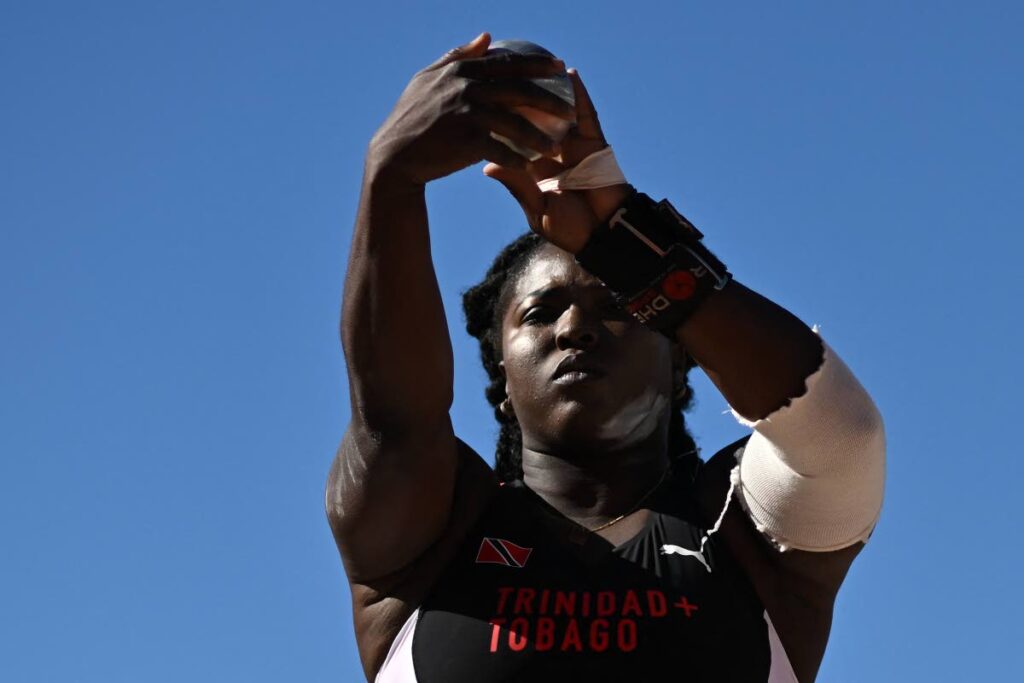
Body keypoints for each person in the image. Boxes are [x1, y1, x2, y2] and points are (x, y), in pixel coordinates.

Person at [326, 32, 886, 683]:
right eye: (540, 312)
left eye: (617, 306)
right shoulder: (436, 531)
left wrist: (629, 242)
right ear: (501, 376)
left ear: (682, 361)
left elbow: (842, 435)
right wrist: (389, 178)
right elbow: (393, 419)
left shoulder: (742, 531)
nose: (575, 329)